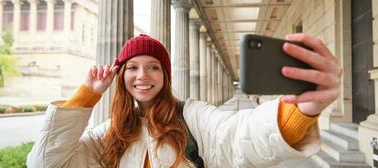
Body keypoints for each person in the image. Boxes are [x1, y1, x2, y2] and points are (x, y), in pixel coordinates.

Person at [27, 33, 342, 168]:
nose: (142, 76)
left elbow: (235, 136)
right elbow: (45, 163)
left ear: (165, 75)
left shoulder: (192, 116)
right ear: (121, 76)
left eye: (153, 67)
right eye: (132, 68)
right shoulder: (111, 133)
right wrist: (87, 95)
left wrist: (298, 111)